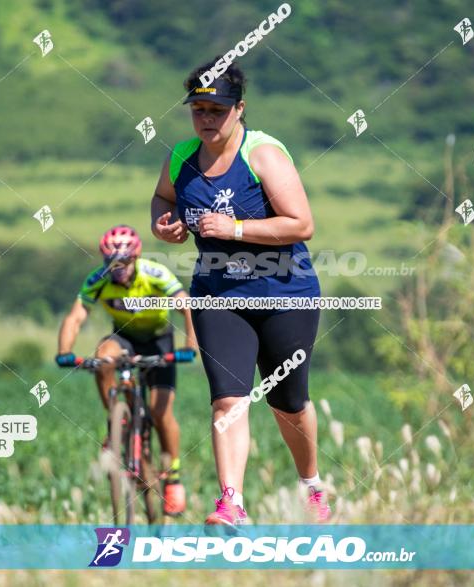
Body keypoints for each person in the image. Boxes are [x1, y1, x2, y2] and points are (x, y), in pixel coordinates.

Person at [150, 57, 331, 525]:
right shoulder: (181, 155)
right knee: (228, 399)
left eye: (217, 110)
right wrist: (163, 224)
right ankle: (231, 503)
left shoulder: (264, 154)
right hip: (216, 295)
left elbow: (301, 224)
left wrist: (234, 229)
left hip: (283, 293)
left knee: (287, 402)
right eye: (198, 109)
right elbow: (164, 197)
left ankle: (312, 485)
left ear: (240, 109)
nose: (207, 119)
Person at [55, 224, 197, 516]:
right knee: (102, 357)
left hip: (159, 340)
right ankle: (117, 421)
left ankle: (173, 478)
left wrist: (190, 346)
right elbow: (75, 317)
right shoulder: (98, 280)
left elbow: (187, 307)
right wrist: (64, 352)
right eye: (111, 263)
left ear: (136, 258)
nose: (118, 269)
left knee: (160, 413)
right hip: (124, 338)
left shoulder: (155, 274)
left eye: (124, 262)